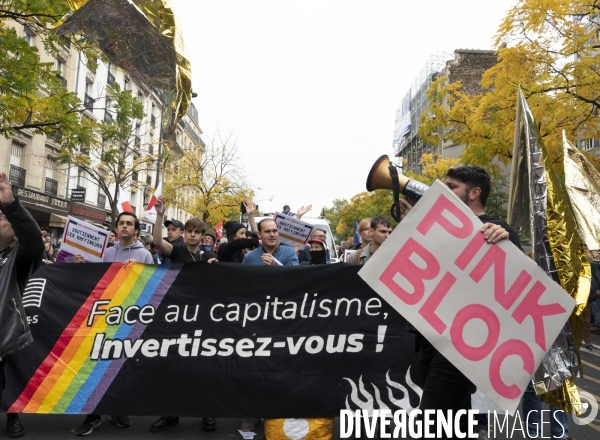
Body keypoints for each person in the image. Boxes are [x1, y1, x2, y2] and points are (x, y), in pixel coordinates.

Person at [399, 165, 522, 439]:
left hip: (460, 348)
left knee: (431, 425)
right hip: (429, 340)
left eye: (452, 186)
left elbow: (519, 280)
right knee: (457, 424)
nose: (444, 191)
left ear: (474, 193)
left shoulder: (496, 229)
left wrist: (507, 243)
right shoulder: (437, 228)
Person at [74, 211, 152, 436]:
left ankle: (117, 409)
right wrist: (81, 266)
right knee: (95, 366)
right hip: (103, 318)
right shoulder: (106, 252)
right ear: (116, 228)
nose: (125, 227)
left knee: (119, 367)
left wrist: (138, 272)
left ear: (136, 230)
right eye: (122, 223)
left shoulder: (145, 255)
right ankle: (93, 414)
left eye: (129, 224)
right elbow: (94, 283)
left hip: (128, 318)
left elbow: (153, 285)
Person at [0, 172, 44, 438]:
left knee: (9, 379)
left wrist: (11, 205)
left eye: (4, 217)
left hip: (5, 335)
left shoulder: (19, 258)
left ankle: (12, 416)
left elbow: (34, 241)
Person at [152, 196, 217, 264]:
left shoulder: (209, 257)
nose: (192, 234)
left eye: (197, 232)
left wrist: (216, 265)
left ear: (203, 235)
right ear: (185, 233)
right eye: (189, 231)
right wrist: (160, 214)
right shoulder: (177, 251)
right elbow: (157, 242)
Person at [217, 199, 259, 263]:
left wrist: (250, 215)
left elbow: (256, 235)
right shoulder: (224, 249)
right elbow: (237, 243)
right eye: (241, 233)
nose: (245, 237)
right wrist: (258, 242)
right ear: (233, 235)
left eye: (245, 233)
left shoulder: (242, 254)